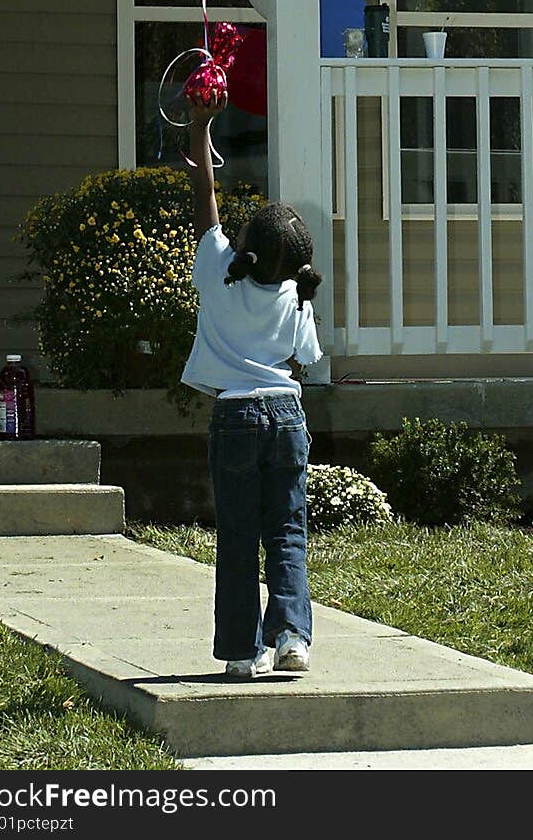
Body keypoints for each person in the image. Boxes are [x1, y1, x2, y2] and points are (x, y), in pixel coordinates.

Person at [180, 90, 323, 680]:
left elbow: (205, 197)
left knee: (237, 536)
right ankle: (291, 636)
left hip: (233, 418)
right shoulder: (297, 294)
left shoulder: (217, 270)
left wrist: (199, 128)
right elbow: (306, 361)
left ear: (244, 247)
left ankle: (242, 651)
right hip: (286, 417)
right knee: (287, 528)